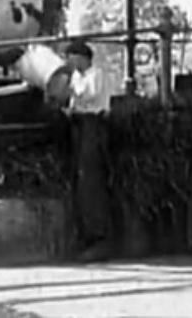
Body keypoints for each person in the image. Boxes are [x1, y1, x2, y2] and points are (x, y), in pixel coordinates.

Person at [63, 40, 112, 261]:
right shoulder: (76, 76)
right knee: (80, 177)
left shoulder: (96, 74)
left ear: (81, 57)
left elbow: (88, 95)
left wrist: (68, 89)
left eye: (71, 57)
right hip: (79, 124)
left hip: (93, 124)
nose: (69, 62)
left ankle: (98, 235)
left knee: (90, 176)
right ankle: (85, 233)